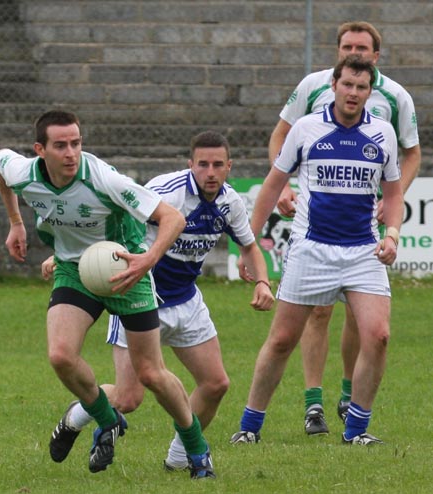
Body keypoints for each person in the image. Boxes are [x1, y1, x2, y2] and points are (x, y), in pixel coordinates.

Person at [0, 110, 216, 479]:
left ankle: (196, 448)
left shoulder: (103, 179)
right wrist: (16, 223)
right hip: (73, 270)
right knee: (61, 355)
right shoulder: (23, 173)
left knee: (151, 374)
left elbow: (172, 218)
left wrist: (148, 259)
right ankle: (106, 418)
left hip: (125, 270)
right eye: (60, 145)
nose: (70, 152)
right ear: (39, 150)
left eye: (76, 143)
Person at [43, 130, 274, 473]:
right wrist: (77, 257)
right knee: (127, 398)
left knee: (216, 384)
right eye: (202, 164)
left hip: (186, 300)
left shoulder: (230, 202)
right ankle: (75, 418)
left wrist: (264, 283)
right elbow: (115, 216)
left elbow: (250, 246)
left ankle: (179, 459)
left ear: (229, 167)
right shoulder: (166, 191)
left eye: (217, 165)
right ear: (190, 164)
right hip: (140, 297)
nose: (209, 172)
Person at [230, 55, 403, 446]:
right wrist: (248, 245)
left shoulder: (383, 133)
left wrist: (391, 234)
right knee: (281, 340)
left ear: (369, 92)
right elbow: (273, 184)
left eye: (361, 88)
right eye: (347, 85)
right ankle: (249, 427)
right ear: (334, 87)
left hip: (363, 252)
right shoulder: (307, 128)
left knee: (378, 336)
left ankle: (356, 431)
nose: (353, 93)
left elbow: (393, 195)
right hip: (311, 250)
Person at [268, 21, 420, 435]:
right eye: (347, 46)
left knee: (364, 319)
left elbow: (411, 153)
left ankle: (349, 395)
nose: (355, 52)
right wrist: (281, 182)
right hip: (317, 227)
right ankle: (313, 403)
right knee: (316, 311)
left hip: (362, 229)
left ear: (376, 55)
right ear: (337, 56)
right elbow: (282, 135)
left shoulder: (395, 97)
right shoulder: (313, 87)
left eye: (363, 47)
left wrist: (390, 201)